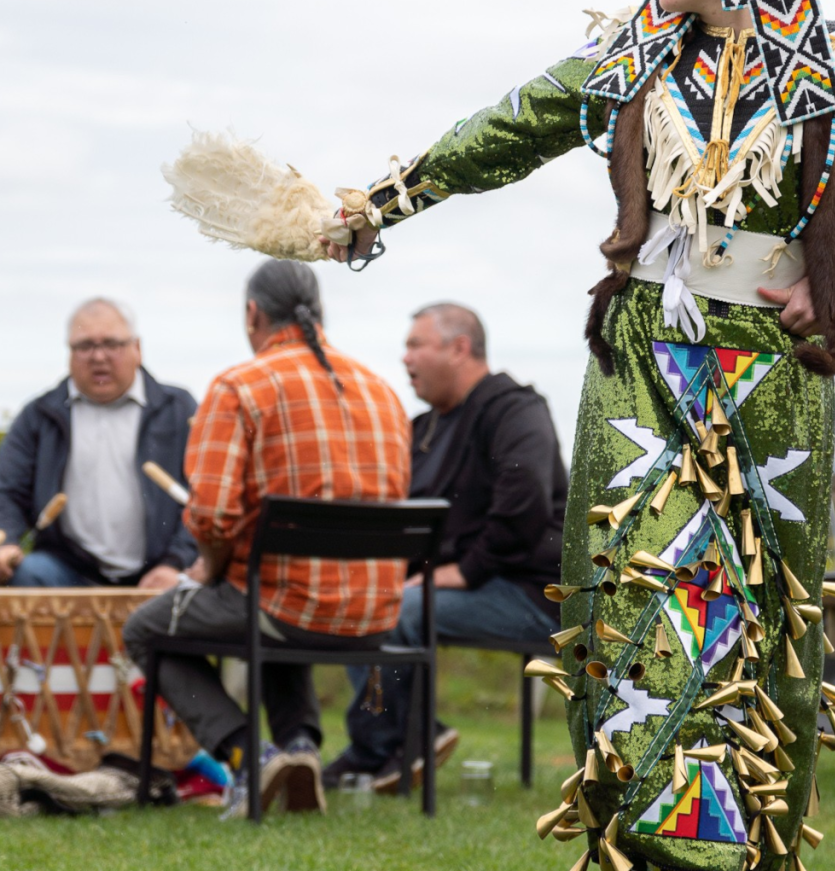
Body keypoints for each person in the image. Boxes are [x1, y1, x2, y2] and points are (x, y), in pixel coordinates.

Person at [179, 0, 835, 868]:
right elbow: (501, 132)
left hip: (769, 380)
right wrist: (366, 211)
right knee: (633, 600)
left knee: (752, 610)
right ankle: (648, 845)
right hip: (642, 366)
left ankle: (737, 848)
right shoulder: (628, 58)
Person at [122, 260, 411, 817]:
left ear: (253, 313)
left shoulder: (241, 387)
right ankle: (300, 748)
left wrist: (208, 567)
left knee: (145, 630)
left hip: (285, 605)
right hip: (375, 615)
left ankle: (247, 754)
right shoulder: (382, 391)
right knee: (274, 601)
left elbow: (210, 516)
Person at [323, 303, 564, 792]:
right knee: (369, 600)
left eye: (416, 345)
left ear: (459, 348)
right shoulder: (423, 427)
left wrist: (464, 572)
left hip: (531, 592)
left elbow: (525, 502)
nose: (404, 358)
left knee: (397, 609)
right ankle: (407, 741)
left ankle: (386, 751)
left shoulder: (514, 408)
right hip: (462, 588)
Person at [0, 298, 196, 589]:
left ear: (137, 349)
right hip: (66, 569)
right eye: (84, 346)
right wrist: (8, 539)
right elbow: (7, 489)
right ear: (69, 352)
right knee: (27, 574)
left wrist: (175, 563)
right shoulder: (39, 415)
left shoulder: (179, 410)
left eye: (112, 344)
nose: (98, 356)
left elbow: (207, 497)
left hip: (162, 571)